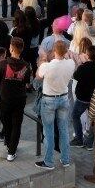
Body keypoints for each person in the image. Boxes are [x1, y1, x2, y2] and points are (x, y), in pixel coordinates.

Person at [35, 38, 74, 170]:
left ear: (54, 51)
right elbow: (68, 58)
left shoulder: (47, 66)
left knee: (49, 132)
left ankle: (49, 161)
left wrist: (42, 60)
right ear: (66, 51)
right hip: (64, 98)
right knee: (64, 130)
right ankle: (65, 159)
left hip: (49, 100)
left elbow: (38, 76)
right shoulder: (71, 64)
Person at [0, 37, 30, 162]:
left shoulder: (2, 64)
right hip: (20, 99)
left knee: (7, 123)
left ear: (11, 49)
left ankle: (9, 145)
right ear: (22, 49)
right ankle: (11, 150)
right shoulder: (26, 66)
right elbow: (26, 83)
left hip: (5, 99)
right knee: (16, 125)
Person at [70, 44, 95, 149]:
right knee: (93, 119)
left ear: (87, 56)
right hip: (94, 96)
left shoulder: (83, 67)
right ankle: (89, 143)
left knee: (75, 115)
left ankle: (79, 139)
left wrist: (81, 62)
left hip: (82, 98)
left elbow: (75, 76)